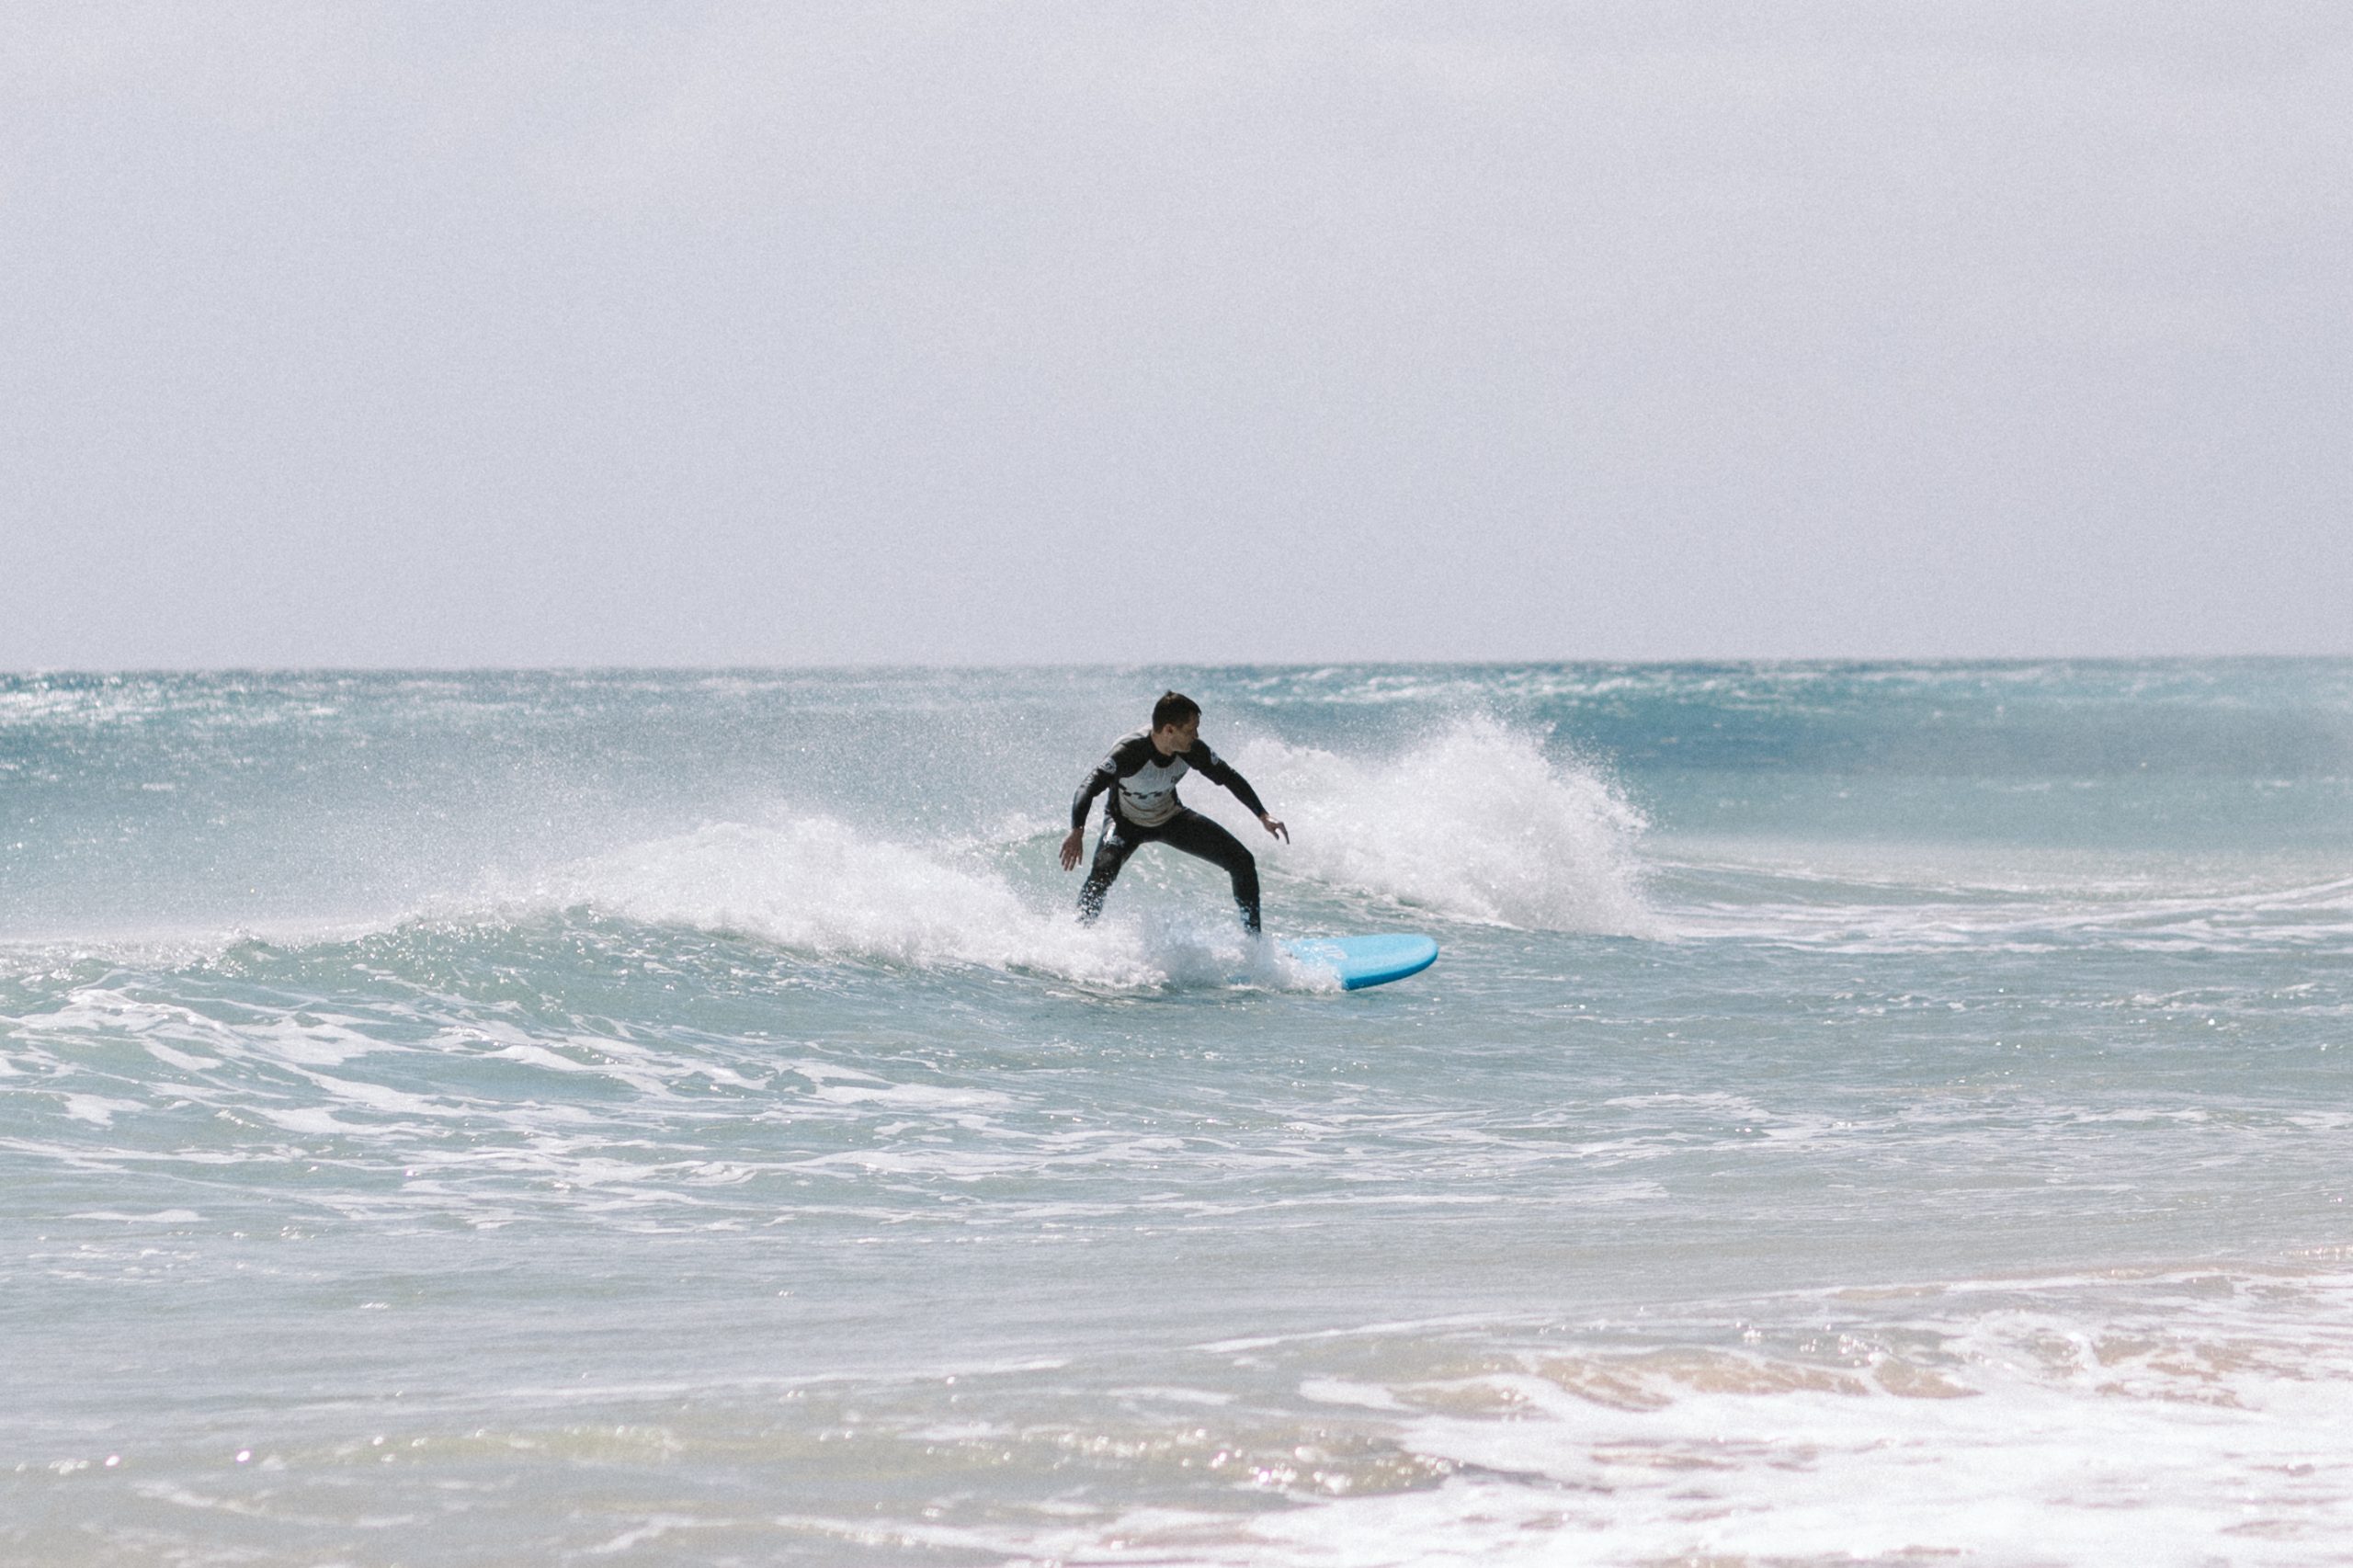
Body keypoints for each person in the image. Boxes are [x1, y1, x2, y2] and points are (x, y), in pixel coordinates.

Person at [1062, 691, 1289, 932]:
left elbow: (1228, 777)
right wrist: (1077, 830)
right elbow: (1088, 786)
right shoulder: (1130, 752)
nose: (1196, 736)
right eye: (1191, 730)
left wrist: (1263, 815)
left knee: (1242, 861)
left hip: (1170, 818)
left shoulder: (1192, 750)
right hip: (1124, 822)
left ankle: (1253, 942)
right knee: (1101, 874)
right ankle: (1078, 935)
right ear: (1169, 730)